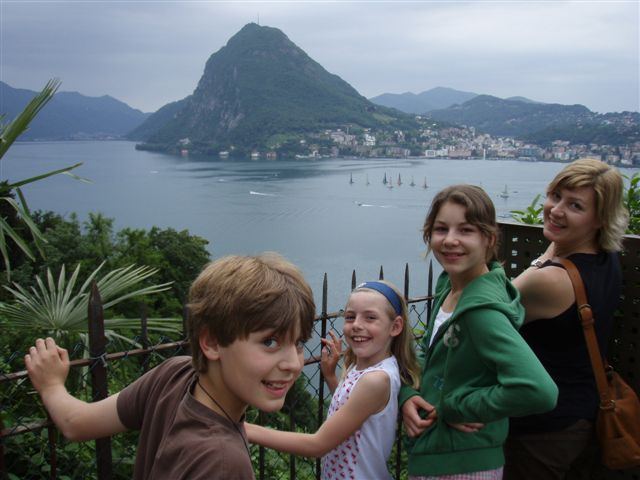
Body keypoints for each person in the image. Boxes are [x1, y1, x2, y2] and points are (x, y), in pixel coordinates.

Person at [24, 253, 316, 480]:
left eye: (299, 343)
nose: (293, 363)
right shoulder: (222, 462)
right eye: (270, 342)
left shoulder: (174, 375)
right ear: (212, 343)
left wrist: (51, 385)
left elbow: (76, 423)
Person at [400, 184, 558, 480]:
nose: (450, 240)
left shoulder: (481, 313)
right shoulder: (451, 286)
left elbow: (539, 390)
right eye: (440, 229)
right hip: (441, 452)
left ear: (489, 238)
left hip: (462, 465)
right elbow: (429, 354)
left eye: (466, 230)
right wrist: (407, 393)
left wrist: (455, 406)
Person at [504, 159, 629, 479]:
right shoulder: (605, 256)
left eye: (575, 205)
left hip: (541, 428)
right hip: (581, 412)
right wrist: (558, 236)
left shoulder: (550, 281)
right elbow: (556, 244)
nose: (556, 210)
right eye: (555, 195)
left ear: (600, 218)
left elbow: (482, 312)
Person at [245, 280, 421, 480]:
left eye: (370, 318)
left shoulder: (376, 380)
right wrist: (330, 377)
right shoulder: (368, 367)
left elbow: (318, 445)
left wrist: (243, 428)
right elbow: (353, 412)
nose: (356, 325)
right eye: (350, 317)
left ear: (395, 326)